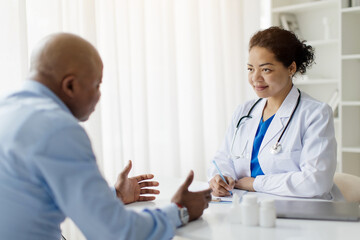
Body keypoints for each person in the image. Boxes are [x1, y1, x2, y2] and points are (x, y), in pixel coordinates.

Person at [0, 33, 212, 240]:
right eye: (97, 85)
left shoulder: (8, 110)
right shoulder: (57, 128)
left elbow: (36, 196)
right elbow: (116, 233)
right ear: (70, 85)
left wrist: (114, 195)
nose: (99, 95)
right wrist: (180, 210)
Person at [208, 26, 343, 200]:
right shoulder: (244, 111)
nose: (255, 78)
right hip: (246, 204)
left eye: (266, 70)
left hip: (301, 212)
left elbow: (316, 181)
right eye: (250, 69)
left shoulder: (315, 113)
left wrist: (254, 183)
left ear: (291, 68)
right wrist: (220, 177)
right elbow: (222, 158)